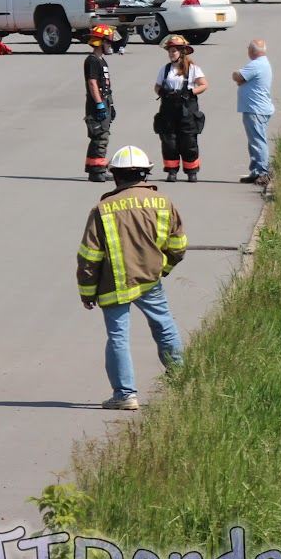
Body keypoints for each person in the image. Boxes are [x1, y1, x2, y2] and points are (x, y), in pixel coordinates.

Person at [75, 145, 188, 411]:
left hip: (113, 284)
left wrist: (87, 292)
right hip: (150, 280)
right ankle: (182, 379)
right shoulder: (163, 202)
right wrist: (163, 269)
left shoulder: (102, 209)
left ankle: (125, 395)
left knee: (118, 337)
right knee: (165, 325)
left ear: (115, 176)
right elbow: (178, 244)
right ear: (145, 175)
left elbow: (89, 257)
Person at [152, 34, 208, 182]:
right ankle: (171, 171)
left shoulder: (193, 69)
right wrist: (162, 92)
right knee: (169, 141)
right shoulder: (165, 70)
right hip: (168, 110)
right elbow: (157, 86)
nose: (171, 54)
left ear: (182, 52)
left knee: (188, 142)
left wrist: (190, 92)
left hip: (187, 110)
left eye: (174, 51)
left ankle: (192, 172)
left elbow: (203, 85)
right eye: (169, 51)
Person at [231, 38, 274, 184]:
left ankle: (263, 171)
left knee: (257, 140)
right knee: (254, 140)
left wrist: (237, 76)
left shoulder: (255, 65)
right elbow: (242, 79)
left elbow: (238, 76)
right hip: (257, 108)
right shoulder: (263, 63)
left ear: (251, 50)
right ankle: (256, 170)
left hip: (256, 109)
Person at [84, 23, 119, 182]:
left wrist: (110, 105)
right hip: (97, 103)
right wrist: (99, 104)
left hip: (105, 101)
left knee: (101, 135)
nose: (110, 46)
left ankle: (94, 168)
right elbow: (92, 83)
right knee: (100, 136)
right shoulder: (92, 61)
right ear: (101, 42)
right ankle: (97, 171)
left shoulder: (102, 60)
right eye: (108, 42)